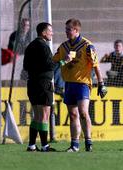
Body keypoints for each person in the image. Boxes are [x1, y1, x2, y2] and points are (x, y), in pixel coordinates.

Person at [52, 18, 107, 152]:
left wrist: (101, 83)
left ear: (76, 30)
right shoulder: (63, 47)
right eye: (65, 30)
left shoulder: (87, 46)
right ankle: (74, 145)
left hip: (83, 84)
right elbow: (53, 62)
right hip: (69, 84)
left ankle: (88, 142)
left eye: (68, 30)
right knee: (72, 114)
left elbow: (96, 66)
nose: (66, 32)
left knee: (83, 112)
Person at [23, 22, 56, 152]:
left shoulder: (30, 46)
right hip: (43, 84)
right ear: (43, 32)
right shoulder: (44, 47)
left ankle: (31, 145)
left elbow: (26, 66)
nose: (52, 33)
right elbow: (51, 65)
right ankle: (44, 146)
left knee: (36, 116)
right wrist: (64, 60)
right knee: (44, 115)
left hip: (32, 83)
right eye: (50, 31)